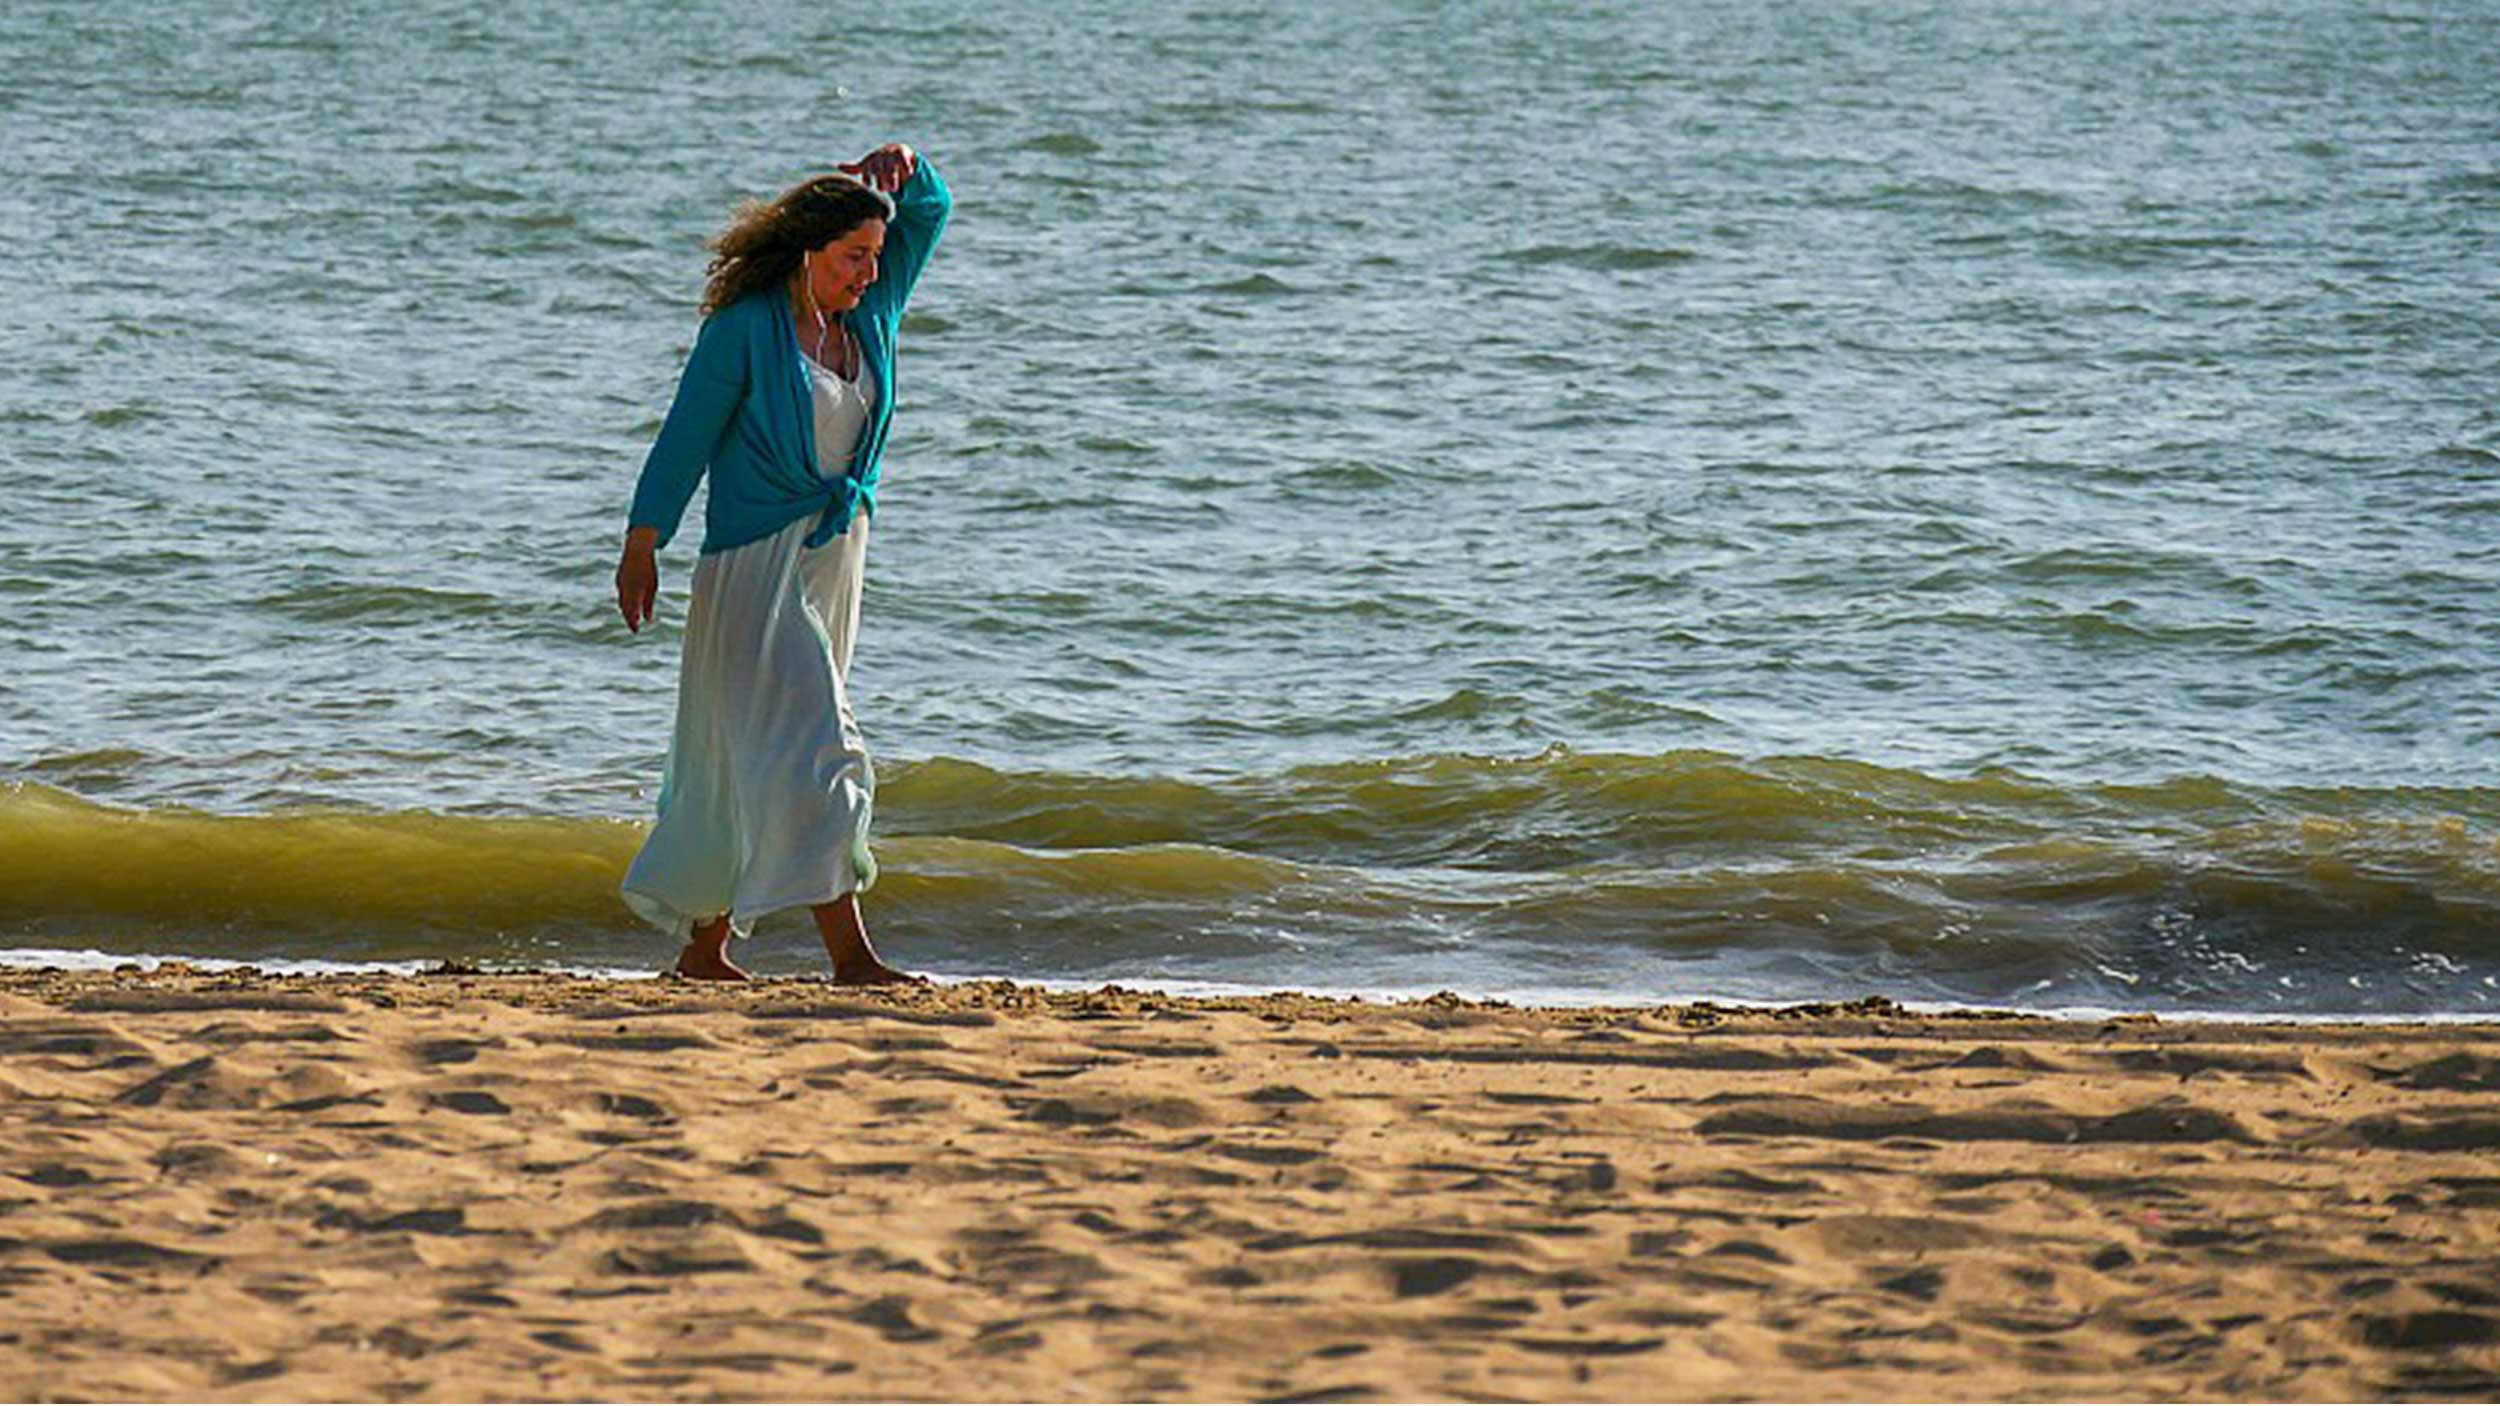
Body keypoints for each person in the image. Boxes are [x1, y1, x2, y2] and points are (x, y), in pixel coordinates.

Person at [613, 142, 949, 983]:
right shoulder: (744, 331)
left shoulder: (871, 317)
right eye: (852, 258)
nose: (870, 273)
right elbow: (686, 436)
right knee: (822, 747)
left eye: (876, 256)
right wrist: (642, 540)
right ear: (808, 251)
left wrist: (910, 166)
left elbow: (931, 215)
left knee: (745, 755)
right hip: (754, 569)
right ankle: (852, 956)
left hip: (836, 560)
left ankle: (703, 951)